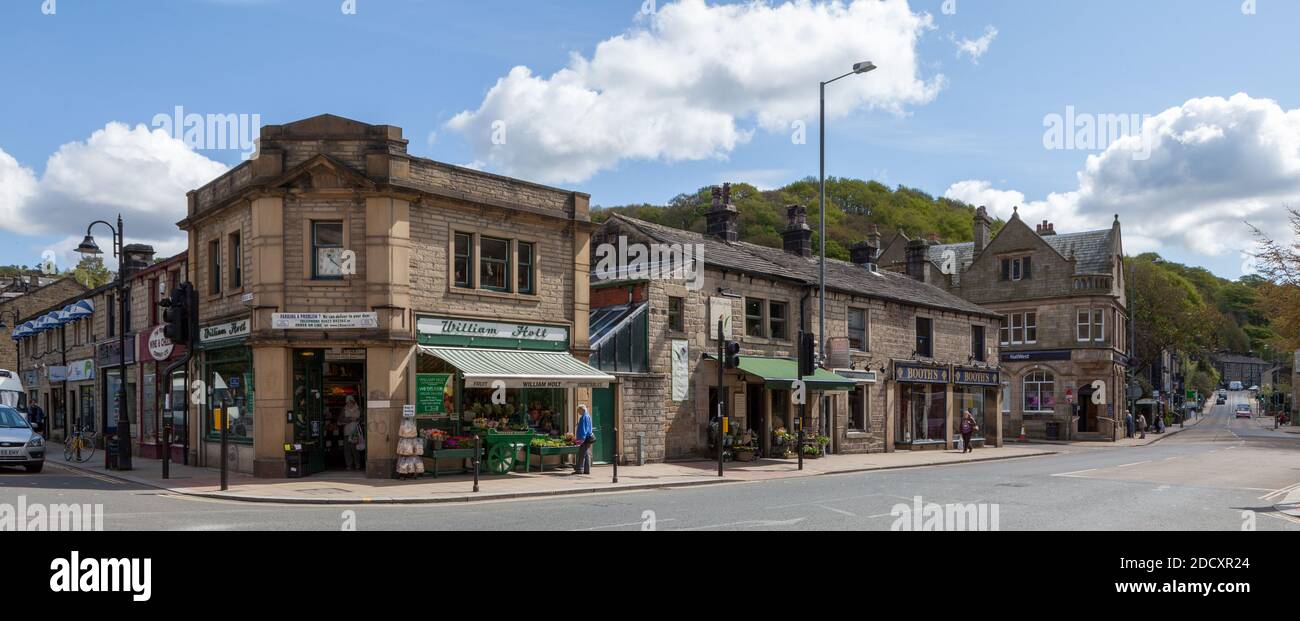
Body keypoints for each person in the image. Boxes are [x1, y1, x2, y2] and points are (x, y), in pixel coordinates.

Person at [571, 404, 595, 475]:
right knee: (586, 454)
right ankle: (587, 470)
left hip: (584, 438)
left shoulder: (584, 417)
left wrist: (581, 439)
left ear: (582, 410)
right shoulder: (587, 416)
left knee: (581, 454)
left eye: (579, 411)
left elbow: (584, 429)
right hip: (587, 438)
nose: (578, 412)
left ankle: (579, 469)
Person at [341, 395, 363, 471]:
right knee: (347, 450)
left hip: (355, 432)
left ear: (353, 402)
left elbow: (363, 418)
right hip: (347, 432)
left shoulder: (359, 409)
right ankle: (349, 465)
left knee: (355, 449)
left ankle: (357, 464)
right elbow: (340, 419)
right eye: (347, 403)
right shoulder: (344, 409)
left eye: (350, 402)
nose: (349, 404)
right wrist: (349, 419)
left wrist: (357, 419)